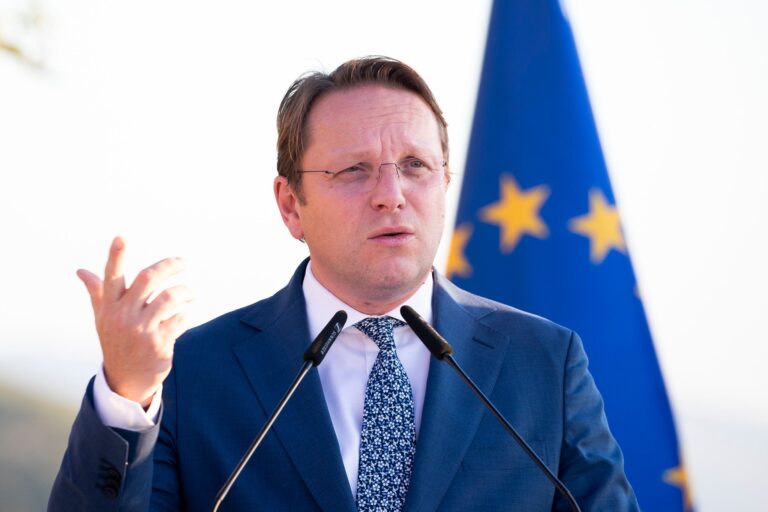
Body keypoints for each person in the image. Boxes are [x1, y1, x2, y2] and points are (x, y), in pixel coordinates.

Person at [49, 56, 639, 511]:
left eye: (415, 166)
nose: (392, 194)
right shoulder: (194, 373)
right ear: (291, 205)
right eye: (355, 170)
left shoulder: (544, 362)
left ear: (445, 182)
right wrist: (126, 396)